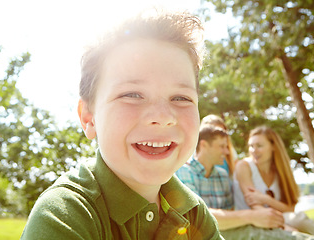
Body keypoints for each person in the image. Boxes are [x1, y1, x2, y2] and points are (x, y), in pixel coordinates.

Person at [20, 9, 223, 240]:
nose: (163, 116)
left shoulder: (194, 212)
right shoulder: (64, 215)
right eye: (132, 95)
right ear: (89, 118)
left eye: (181, 98)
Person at [176, 124, 314, 240]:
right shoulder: (184, 172)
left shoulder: (221, 176)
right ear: (203, 145)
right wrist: (252, 217)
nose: (227, 152)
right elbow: (197, 218)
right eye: (222, 146)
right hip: (205, 235)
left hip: (233, 228)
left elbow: (230, 212)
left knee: (294, 225)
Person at [234, 126, 314, 239]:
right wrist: (283, 225)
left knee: (300, 219)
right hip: (252, 219)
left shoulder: (280, 171)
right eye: (251, 146)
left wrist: (266, 199)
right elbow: (255, 206)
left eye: (259, 146)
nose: (254, 150)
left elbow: (290, 208)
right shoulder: (244, 166)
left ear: (273, 146)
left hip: (274, 217)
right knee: (298, 224)